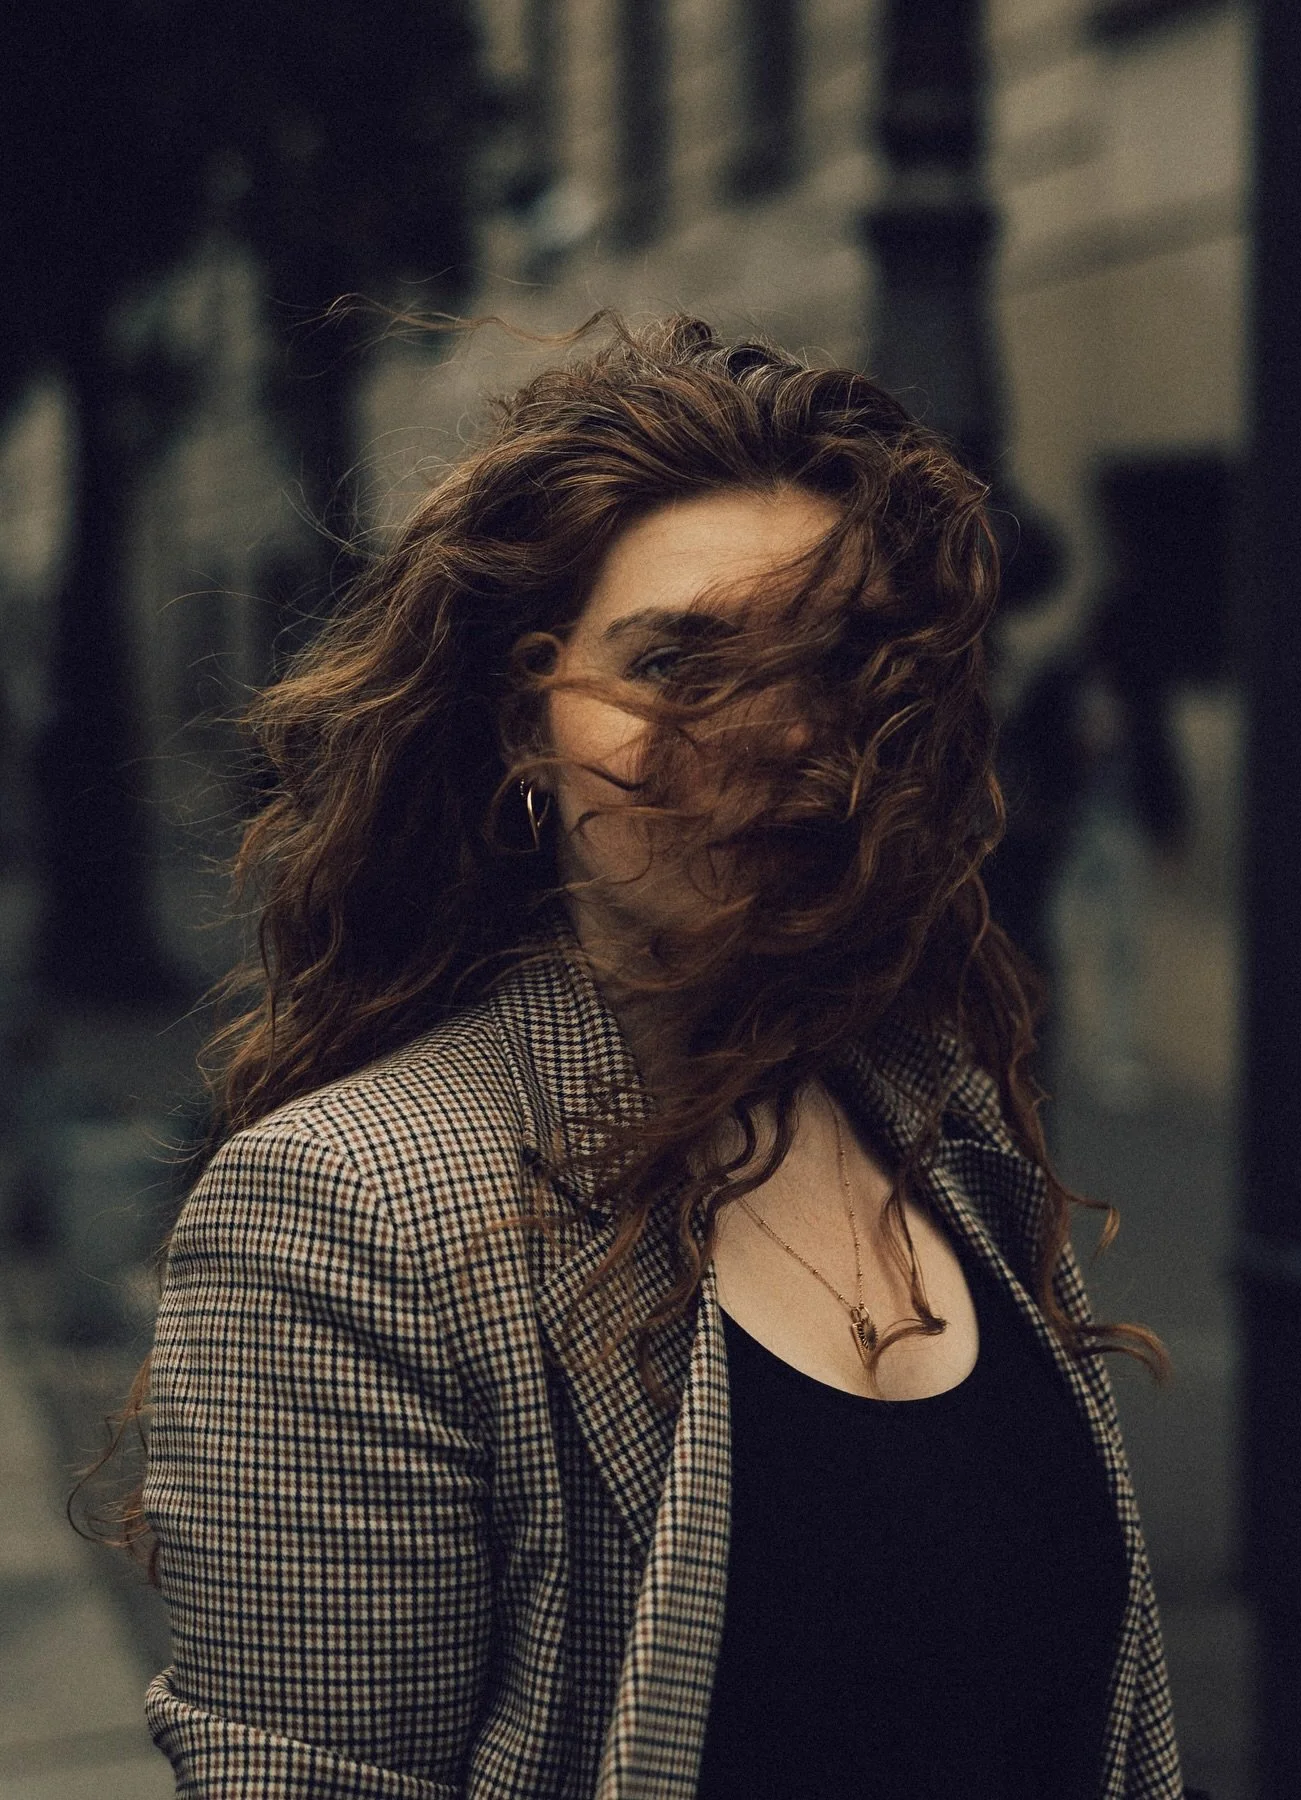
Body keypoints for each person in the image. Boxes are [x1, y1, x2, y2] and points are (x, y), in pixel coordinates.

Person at [136, 316, 1196, 1799]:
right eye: (681, 664)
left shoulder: (934, 1114)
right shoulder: (351, 1211)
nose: (774, 736)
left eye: (832, 664)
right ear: (528, 720)